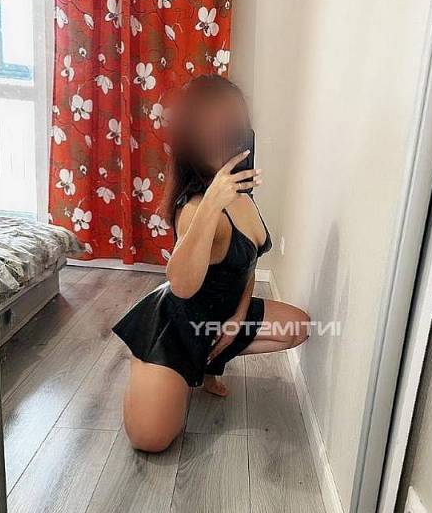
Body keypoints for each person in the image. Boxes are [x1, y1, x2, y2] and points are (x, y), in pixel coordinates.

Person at [113, 76, 310, 453]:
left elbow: (248, 265)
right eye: (213, 127)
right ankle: (153, 366)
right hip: (176, 329)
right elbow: (182, 286)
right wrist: (211, 205)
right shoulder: (195, 208)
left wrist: (237, 319)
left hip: (217, 319)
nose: (225, 135)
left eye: (234, 125)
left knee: (297, 326)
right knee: (151, 439)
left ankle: (207, 360)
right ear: (193, 138)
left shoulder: (243, 196)